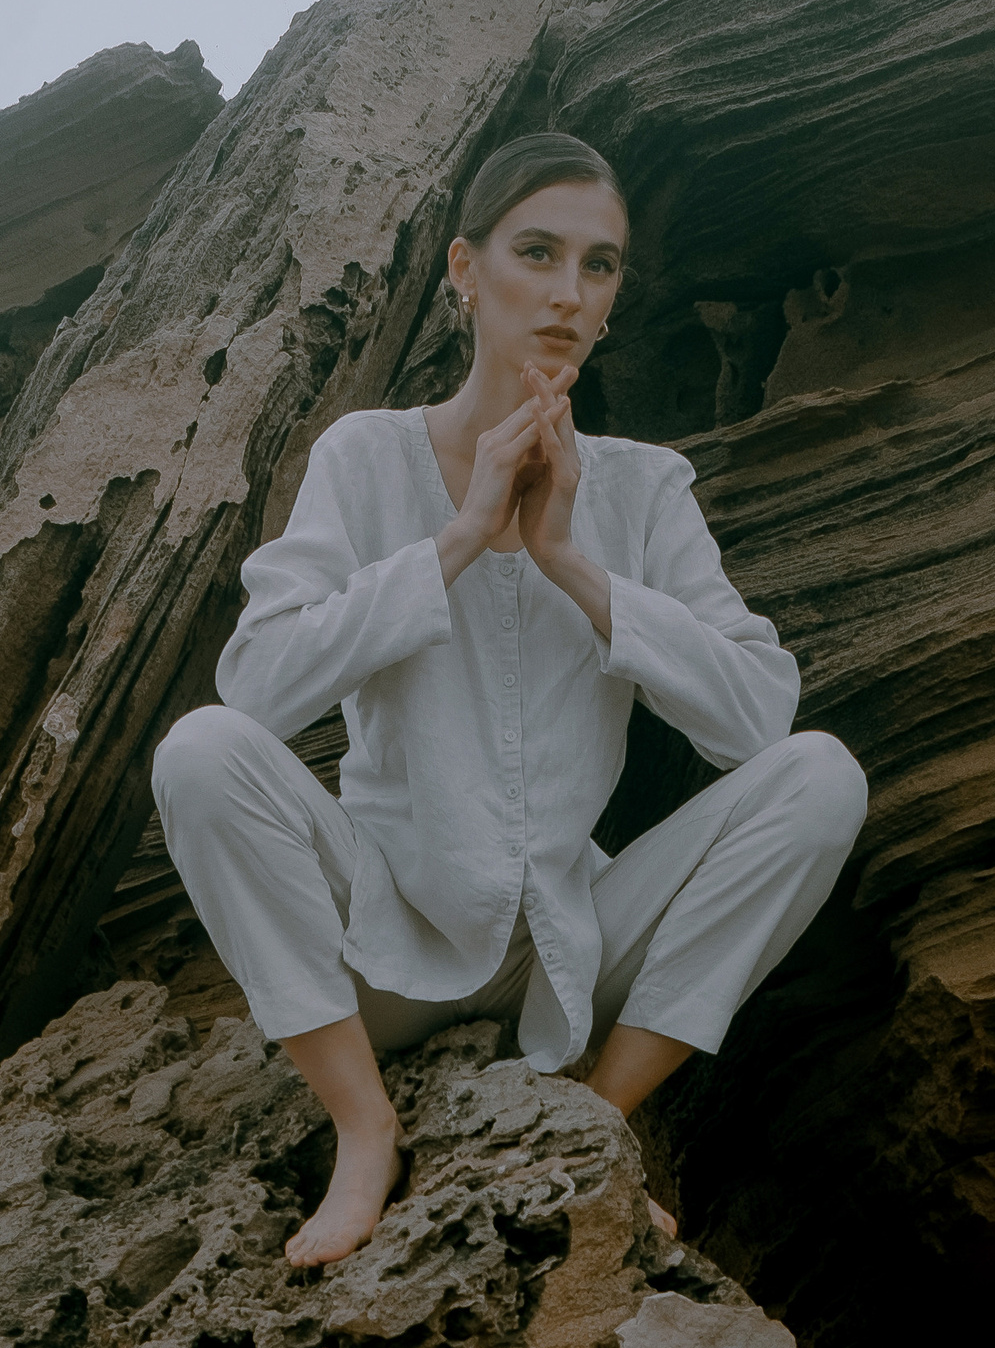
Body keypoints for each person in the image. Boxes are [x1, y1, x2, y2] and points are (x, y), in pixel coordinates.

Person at [151, 129, 866, 1267]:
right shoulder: (366, 455)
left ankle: (599, 1120)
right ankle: (363, 1125)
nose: (568, 293)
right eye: (536, 252)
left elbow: (754, 720)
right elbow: (259, 685)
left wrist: (574, 563)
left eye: (599, 265)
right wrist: (459, 537)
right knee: (199, 751)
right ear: (463, 271)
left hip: (573, 948)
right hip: (388, 937)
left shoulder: (643, 484)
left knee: (822, 777)